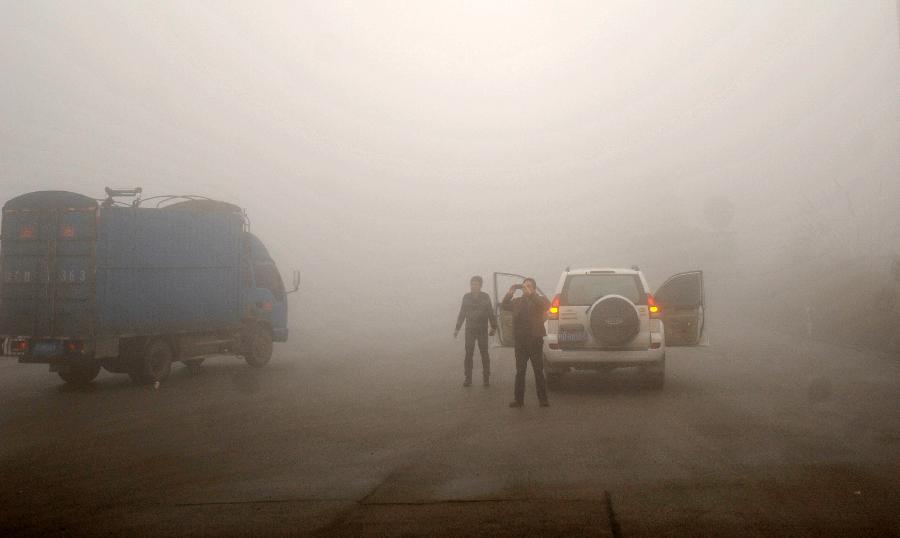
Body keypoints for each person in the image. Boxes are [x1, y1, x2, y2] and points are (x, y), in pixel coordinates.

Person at [501, 278, 550, 407]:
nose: (526, 289)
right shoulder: (517, 301)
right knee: (520, 371)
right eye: (524, 286)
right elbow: (504, 306)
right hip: (521, 341)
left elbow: (546, 306)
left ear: (534, 288)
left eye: (529, 286)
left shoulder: (539, 300)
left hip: (535, 340)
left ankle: (543, 400)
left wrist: (532, 294)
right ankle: (519, 400)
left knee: (538, 371)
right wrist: (510, 293)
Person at [454, 276, 498, 387]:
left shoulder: (485, 297)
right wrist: (457, 328)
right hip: (470, 330)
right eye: (472, 284)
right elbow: (462, 313)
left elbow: (490, 312)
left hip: (482, 330)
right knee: (468, 354)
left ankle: (486, 378)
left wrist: (493, 326)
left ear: (480, 285)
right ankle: (468, 378)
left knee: (484, 354)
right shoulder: (466, 297)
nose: (474, 286)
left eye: (476, 284)